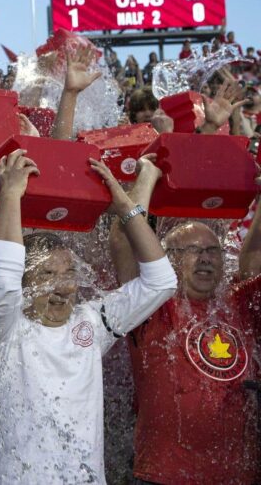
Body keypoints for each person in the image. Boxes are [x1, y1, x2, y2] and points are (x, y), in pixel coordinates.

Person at [0, 150, 176, 483]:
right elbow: (1, 277)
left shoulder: (92, 322)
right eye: (46, 274)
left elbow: (161, 282)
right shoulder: (3, 328)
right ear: (23, 282)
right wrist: (11, 195)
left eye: (70, 272)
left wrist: (124, 206)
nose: (64, 285)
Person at [109, 156, 261, 484]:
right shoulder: (154, 307)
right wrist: (147, 176)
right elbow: (123, 239)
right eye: (193, 250)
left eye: (213, 251)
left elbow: (253, 259)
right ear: (167, 261)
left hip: (240, 476)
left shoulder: (239, 304)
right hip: (165, 475)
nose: (205, 257)